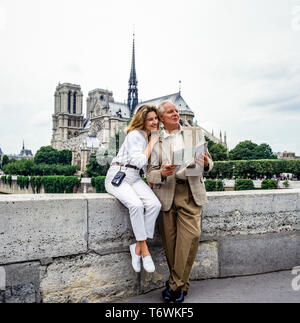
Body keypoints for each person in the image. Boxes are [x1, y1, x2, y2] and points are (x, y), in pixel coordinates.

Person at [147, 100, 214, 303]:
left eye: (176, 110)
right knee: (171, 245)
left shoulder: (194, 133)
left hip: (190, 192)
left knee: (190, 239)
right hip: (167, 193)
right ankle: (179, 286)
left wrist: (206, 163)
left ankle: (175, 285)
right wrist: (162, 172)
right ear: (161, 118)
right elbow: (150, 174)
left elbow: (210, 162)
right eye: (170, 112)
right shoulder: (154, 139)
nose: (176, 113)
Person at [105, 105, 162, 273]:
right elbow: (138, 161)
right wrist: (152, 143)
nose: (154, 122)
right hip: (119, 175)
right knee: (136, 205)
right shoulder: (135, 135)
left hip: (135, 177)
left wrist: (150, 185)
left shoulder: (148, 137)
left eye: (156, 118)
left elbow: (144, 168)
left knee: (154, 204)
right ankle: (144, 251)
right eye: (150, 119)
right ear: (142, 121)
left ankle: (136, 247)